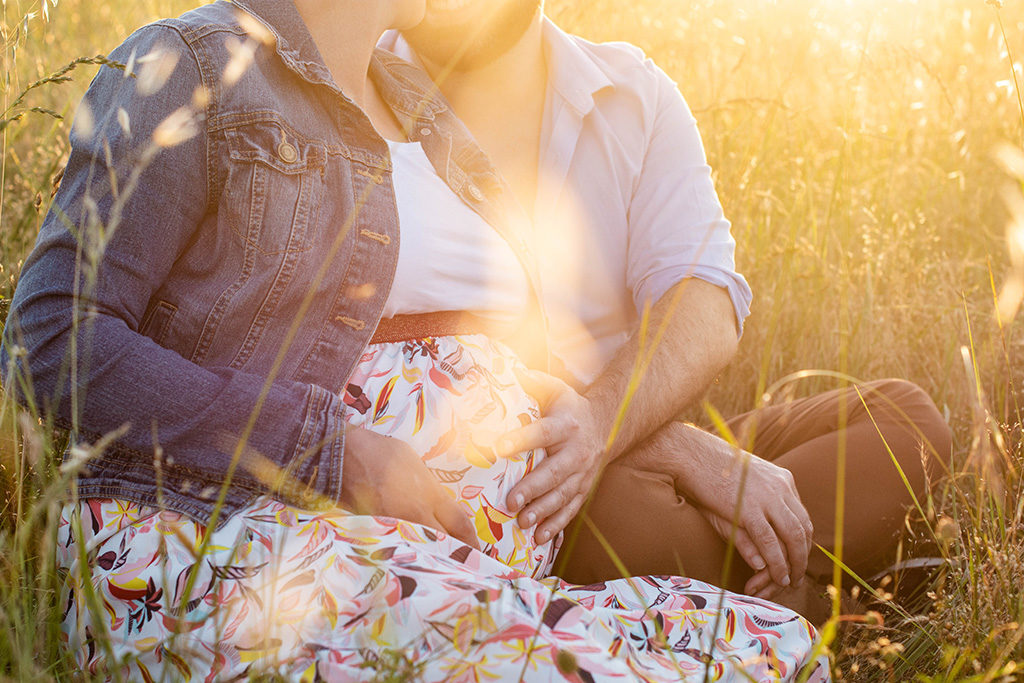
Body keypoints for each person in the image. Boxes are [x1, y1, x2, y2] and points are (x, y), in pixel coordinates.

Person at [2, 0, 829, 680]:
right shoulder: (197, 62)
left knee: (755, 642)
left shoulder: (420, 109)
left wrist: (639, 430)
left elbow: (506, 330)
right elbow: (48, 342)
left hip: (464, 548)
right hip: (244, 536)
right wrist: (333, 452)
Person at [384, 0, 953, 609]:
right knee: (625, 516)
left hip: (634, 423)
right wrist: (667, 447)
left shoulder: (633, 92)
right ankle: (826, 604)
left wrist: (613, 426)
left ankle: (750, 591)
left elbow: (702, 297)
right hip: (518, 479)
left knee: (905, 421)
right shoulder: (356, 92)